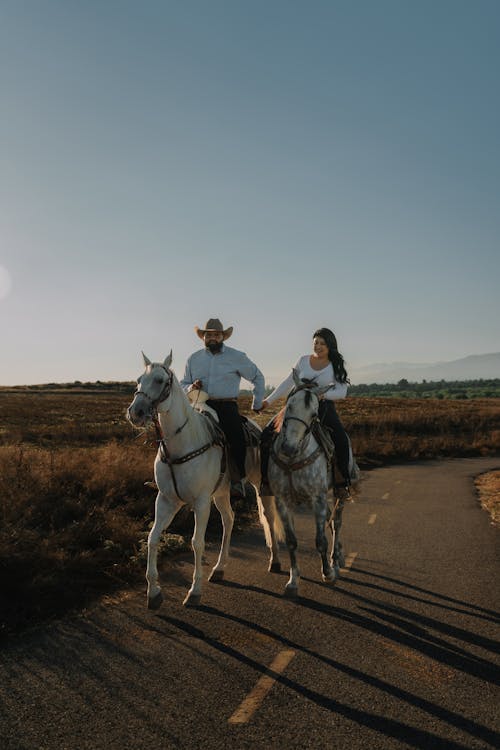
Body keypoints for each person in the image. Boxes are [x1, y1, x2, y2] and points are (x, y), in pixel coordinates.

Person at [260, 327, 352, 496]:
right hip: (296, 406)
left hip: (322, 407)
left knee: (340, 438)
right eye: (316, 343)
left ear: (330, 346)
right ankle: (266, 481)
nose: (318, 346)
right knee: (266, 434)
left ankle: (342, 482)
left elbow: (342, 392)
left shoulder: (335, 365)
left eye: (322, 343)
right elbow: (287, 383)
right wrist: (268, 401)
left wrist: (324, 395)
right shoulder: (303, 360)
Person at [180, 318, 265, 498]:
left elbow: (258, 377)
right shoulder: (193, 359)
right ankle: (171, 478)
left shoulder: (237, 357)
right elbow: (183, 383)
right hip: (199, 405)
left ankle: (237, 479)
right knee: (176, 432)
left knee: (235, 435)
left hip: (226, 405)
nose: (212, 338)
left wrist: (257, 402)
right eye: (208, 335)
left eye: (216, 335)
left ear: (223, 337)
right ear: (203, 337)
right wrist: (190, 387)